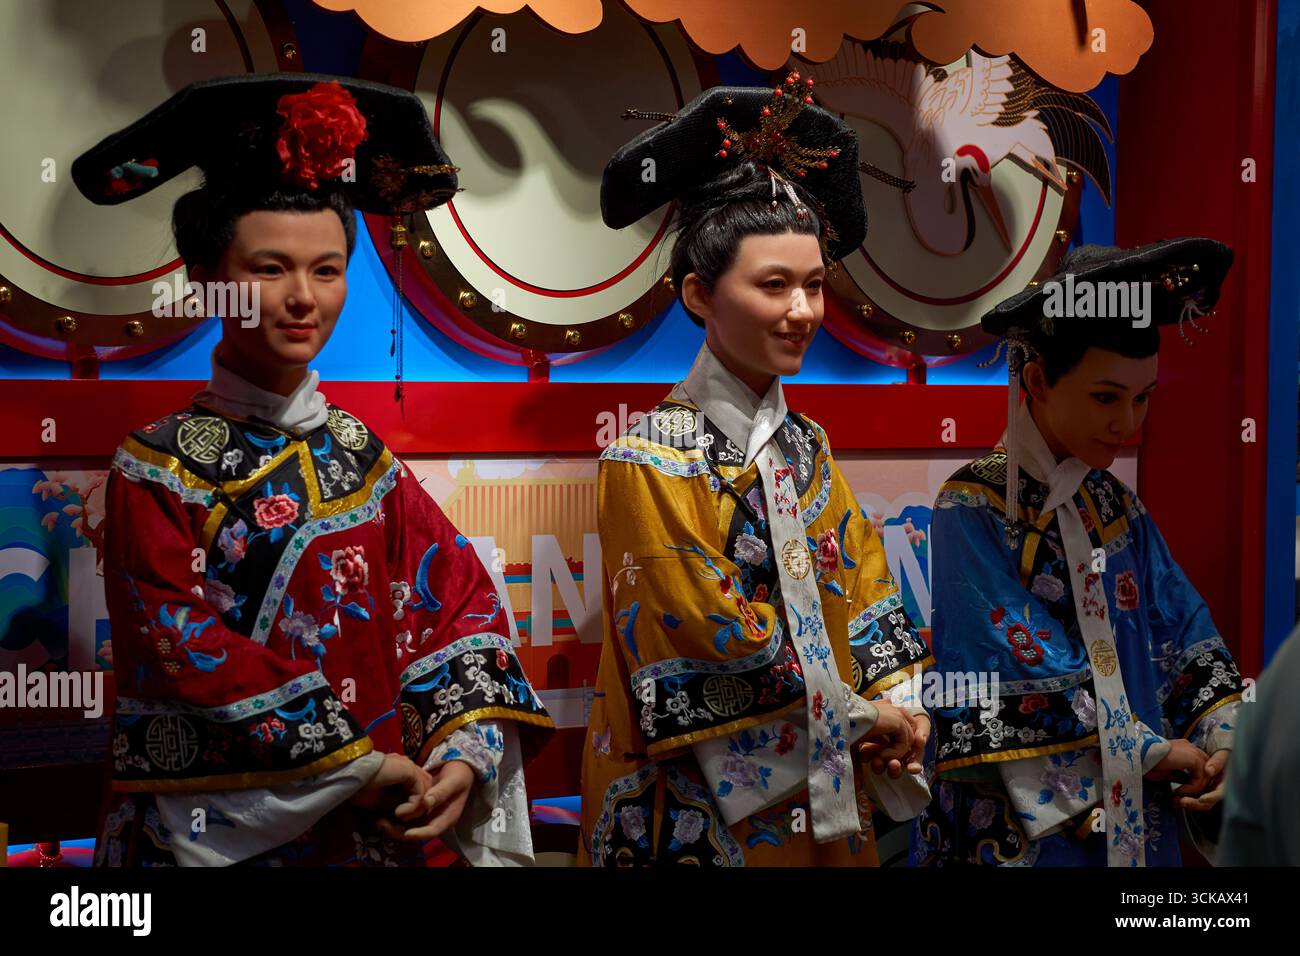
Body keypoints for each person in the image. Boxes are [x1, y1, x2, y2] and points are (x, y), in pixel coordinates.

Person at [73, 73, 553, 866]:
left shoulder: (362, 457)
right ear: (207, 281)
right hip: (228, 831)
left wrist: (464, 754)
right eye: (270, 270)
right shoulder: (156, 468)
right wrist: (355, 764)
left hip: (386, 817)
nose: (303, 299)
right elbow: (180, 653)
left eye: (327, 271)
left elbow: (459, 599)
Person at [579, 74, 932, 867]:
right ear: (700, 294)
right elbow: (706, 636)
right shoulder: (648, 458)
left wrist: (902, 703)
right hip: (699, 806)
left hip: (830, 770)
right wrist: (861, 716)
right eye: (773, 285)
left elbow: (868, 585)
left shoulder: (808, 446)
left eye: (812, 284)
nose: (803, 310)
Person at [913, 239, 1244, 867]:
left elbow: (1182, 626)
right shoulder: (974, 505)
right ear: (1037, 380)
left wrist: (1220, 735)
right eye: (1105, 396)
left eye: (1142, 397)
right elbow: (1003, 659)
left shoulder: (1118, 507)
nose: (1127, 422)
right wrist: (1145, 749)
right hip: (1018, 824)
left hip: (1136, 806)